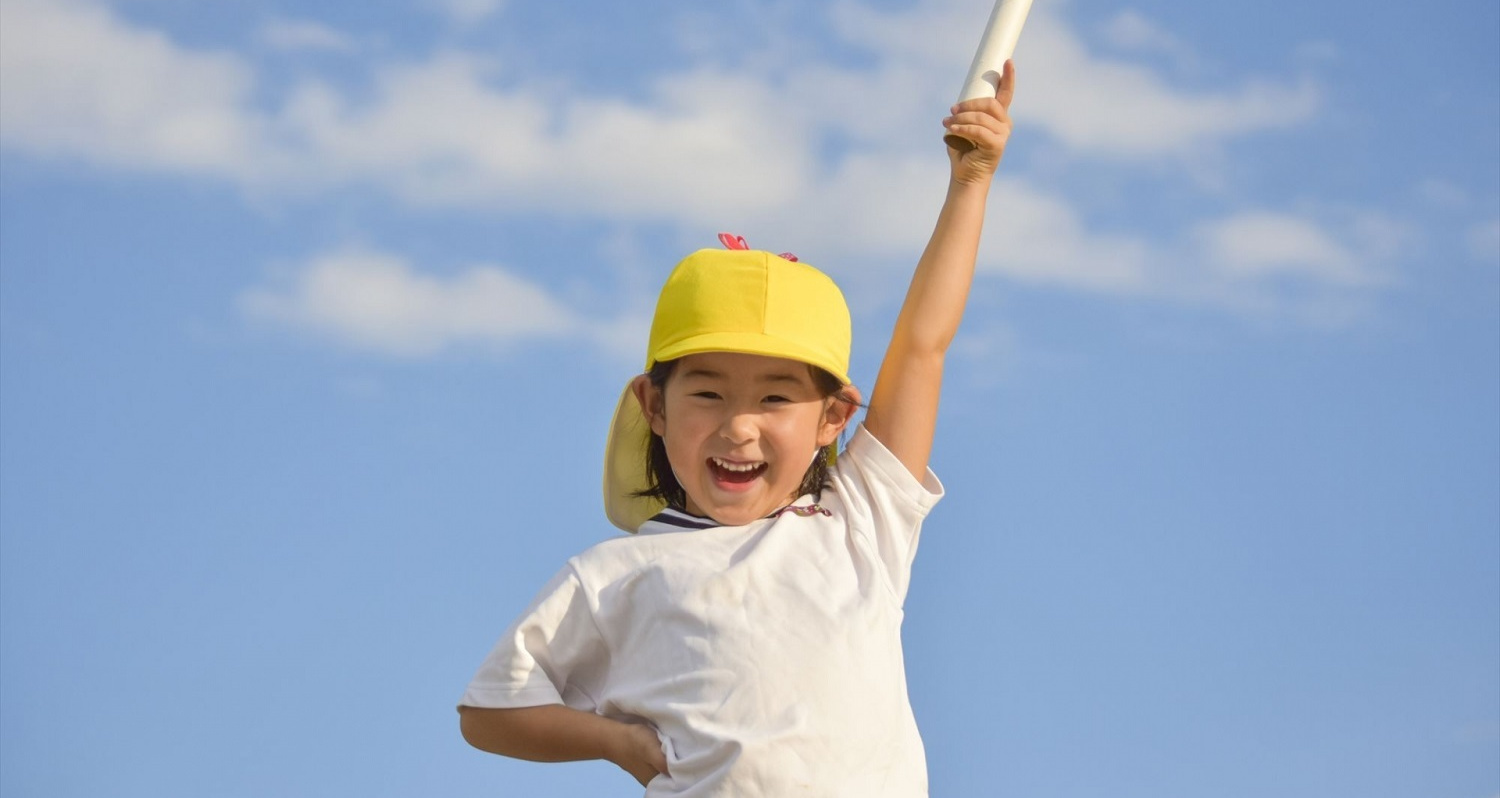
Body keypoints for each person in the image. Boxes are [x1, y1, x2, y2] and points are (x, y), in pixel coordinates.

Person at [458, 62, 1018, 796]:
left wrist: (970, 181)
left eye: (776, 398)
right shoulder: (613, 576)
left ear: (833, 418)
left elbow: (922, 347)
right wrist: (616, 741)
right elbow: (491, 711)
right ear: (654, 407)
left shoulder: (859, 525)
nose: (739, 426)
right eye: (709, 394)